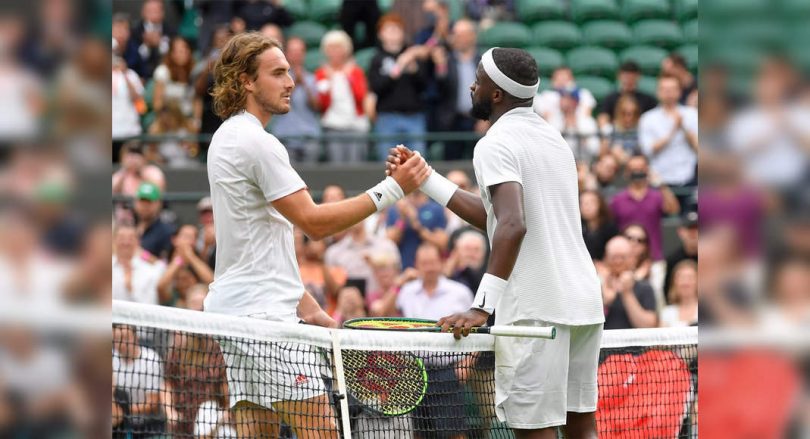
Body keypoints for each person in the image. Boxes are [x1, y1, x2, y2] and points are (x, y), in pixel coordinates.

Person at [205, 31, 429, 438]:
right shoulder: (258, 142)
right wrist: (393, 189)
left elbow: (261, 246)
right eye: (277, 73)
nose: (290, 81)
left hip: (234, 311)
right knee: (323, 431)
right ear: (246, 81)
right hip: (265, 319)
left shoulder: (226, 136)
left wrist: (309, 308)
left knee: (259, 432)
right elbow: (314, 222)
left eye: (289, 71)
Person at [388, 48, 604, 438]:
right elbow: (497, 217)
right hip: (583, 303)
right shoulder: (554, 139)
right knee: (581, 429)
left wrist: (481, 306)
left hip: (537, 312)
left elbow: (512, 224)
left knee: (532, 431)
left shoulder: (494, 143)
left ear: (497, 94)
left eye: (478, 81)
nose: (472, 86)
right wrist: (426, 180)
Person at [373, 243, 473, 439]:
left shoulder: (460, 292)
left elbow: (478, 332)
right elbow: (380, 313)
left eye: (433, 262)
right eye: (424, 263)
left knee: (455, 434)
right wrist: (399, 282)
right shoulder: (406, 291)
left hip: (448, 372)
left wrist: (466, 365)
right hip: (414, 373)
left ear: (441, 263)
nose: (429, 267)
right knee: (419, 433)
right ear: (417, 265)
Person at [369, 14, 429, 160]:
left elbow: (424, 86)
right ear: (380, 34)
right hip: (387, 117)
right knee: (389, 163)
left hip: (414, 116)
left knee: (418, 163)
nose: (393, 32)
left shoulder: (411, 56)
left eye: (397, 29)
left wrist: (414, 70)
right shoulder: (377, 58)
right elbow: (376, 87)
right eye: (388, 29)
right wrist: (397, 68)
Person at [609, 154, 680, 262]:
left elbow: (674, 209)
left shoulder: (657, 196)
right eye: (633, 169)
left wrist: (661, 184)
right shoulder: (618, 200)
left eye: (641, 168)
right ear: (626, 173)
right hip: (624, 259)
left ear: (647, 170)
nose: (637, 172)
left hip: (654, 257)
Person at [315, 30, 370, 162]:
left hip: (356, 126)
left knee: (356, 165)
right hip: (333, 126)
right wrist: (330, 80)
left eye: (338, 47)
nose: (335, 52)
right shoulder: (321, 73)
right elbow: (322, 103)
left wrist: (348, 77)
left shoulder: (356, 72)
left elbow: (361, 96)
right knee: (337, 165)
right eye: (331, 48)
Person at [432, 19, 483, 160]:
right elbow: (438, 90)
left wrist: (487, 118)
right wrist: (440, 66)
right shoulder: (446, 60)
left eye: (463, 34)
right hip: (452, 120)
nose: (458, 38)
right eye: (456, 34)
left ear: (473, 36)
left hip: (478, 119)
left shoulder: (483, 61)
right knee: (452, 163)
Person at [638, 74, 698, 191]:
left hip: (689, 176)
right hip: (659, 179)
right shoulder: (648, 118)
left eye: (672, 89)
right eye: (665, 90)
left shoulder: (692, 114)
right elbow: (648, 150)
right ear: (658, 92)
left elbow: (699, 147)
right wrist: (673, 130)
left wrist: (683, 127)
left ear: (679, 92)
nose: (668, 93)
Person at [269, 37, 322, 163]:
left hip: (309, 137)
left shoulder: (311, 79)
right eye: (293, 52)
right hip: (285, 137)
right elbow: (276, 103)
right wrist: (295, 85)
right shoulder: (278, 79)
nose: (296, 55)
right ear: (286, 54)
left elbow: (317, 106)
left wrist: (304, 84)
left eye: (300, 52)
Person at [112, 324, 165, 437]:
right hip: (118, 426)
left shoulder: (152, 360)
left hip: (148, 427)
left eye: (126, 337)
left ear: (136, 337)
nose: (122, 343)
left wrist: (123, 411)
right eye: (117, 339)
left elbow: (153, 403)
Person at [325, 220, 400, 297]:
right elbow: (332, 290)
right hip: (348, 306)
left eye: (357, 210)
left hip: (382, 304)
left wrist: (378, 266)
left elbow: (397, 281)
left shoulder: (387, 247)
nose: (355, 217)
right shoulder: (333, 253)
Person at [601, 236, 658, 329]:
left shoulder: (644, 287)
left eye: (622, 257)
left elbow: (649, 326)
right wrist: (604, 302)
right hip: (605, 342)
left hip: (635, 342)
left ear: (632, 259)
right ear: (606, 258)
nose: (618, 262)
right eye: (613, 257)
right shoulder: (597, 287)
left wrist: (627, 293)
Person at [386, 191, 448, 268]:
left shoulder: (436, 209)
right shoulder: (395, 210)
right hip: (402, 269)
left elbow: (442, 243)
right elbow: (389, 242)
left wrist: (417, 225)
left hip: (428, 269)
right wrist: (402, 219)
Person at [157, 224, 214, 307]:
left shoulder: (198, 262)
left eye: (194, 238)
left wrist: (190, 256)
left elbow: (211, 281)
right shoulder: (164, 262)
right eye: (186, 236)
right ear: (174, 239)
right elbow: (160, 287)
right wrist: (179, 259)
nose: (190, 241)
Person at [112, 223, 165, 305]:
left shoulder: (149, 272)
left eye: (130, 238)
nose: (126, 243)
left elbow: (150, 307)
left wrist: (130, 289)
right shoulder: (102, 267)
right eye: (121, 238)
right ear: (114, 240)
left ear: (138, 242)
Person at [596, 61, 657, 130]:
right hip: (615, 134)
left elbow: (654, 119)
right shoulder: (610, 98)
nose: (628, 80)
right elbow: (603, 117)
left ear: (638, 76)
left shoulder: (648, 100)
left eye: (631, 77)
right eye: (626, 76)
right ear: (619, 76)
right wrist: (607, 133)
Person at [545, 88, 600, 163]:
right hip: (559, 163)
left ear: (574, 102)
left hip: (583, 163)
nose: (561, 101)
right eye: (561, 97)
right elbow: (548, 148)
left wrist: (578, 130)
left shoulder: (588, 122)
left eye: (565, 98)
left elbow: (594, 150)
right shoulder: (553, 120)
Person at [152, 36, 199, 120]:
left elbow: (197, 100)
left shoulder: (194, 71)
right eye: (180, 51)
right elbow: (157, 105)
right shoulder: (163, 71)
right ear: (171, 54)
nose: (184, 52)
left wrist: (196, 122)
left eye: (186, 49)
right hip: (168, 120)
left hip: (188, 120)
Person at [622, 223, 666, 306]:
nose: (634, 243)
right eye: (629, 238)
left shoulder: (655, 268)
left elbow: (656, 299)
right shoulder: (612, 266)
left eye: (640, 240)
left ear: (645, 246)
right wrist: (636, 278)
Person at [130, 0, 176, 79]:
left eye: (157, 10)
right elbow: (133, 59)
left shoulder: (171, 31)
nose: (154, 14)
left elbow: (173, 55)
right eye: (150, 11)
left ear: (163, 13)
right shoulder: (135, 31)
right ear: (143, 12)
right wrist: (146, 45)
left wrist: (160, 43)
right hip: (140, 75)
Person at [133, 182, 176, 260]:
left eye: (149, 202)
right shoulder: (129, 227)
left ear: (158, 204)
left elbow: (165, 264)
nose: (145, 206)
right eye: (142, 202)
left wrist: (141, 254)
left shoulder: (167, 231)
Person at [580, 189, 619, 263]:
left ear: (600, 204)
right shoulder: (577, 228)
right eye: (583, 203)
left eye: (591, 202)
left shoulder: (610, 227)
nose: (586, 207)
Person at [664, 211, 698, 294]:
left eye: (696, 228)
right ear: (680, 232)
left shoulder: (712, 258)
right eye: (689, 229)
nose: (693, 233)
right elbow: (668, 290)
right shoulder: (673, 259)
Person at [659, 260, 698, 327]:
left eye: (690, 277)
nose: (685, 282)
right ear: (674, 283)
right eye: (681, 278)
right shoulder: (667, 312)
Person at [604, 95, 642, 162]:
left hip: (634, 162)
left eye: (633, 113)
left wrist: (628, 157)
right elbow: (602, 154)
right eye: (624, 113)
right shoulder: (610, 129)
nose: (629, 118)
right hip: (615, 163)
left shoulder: (641, 130)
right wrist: (613, 150)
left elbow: (644, 151)